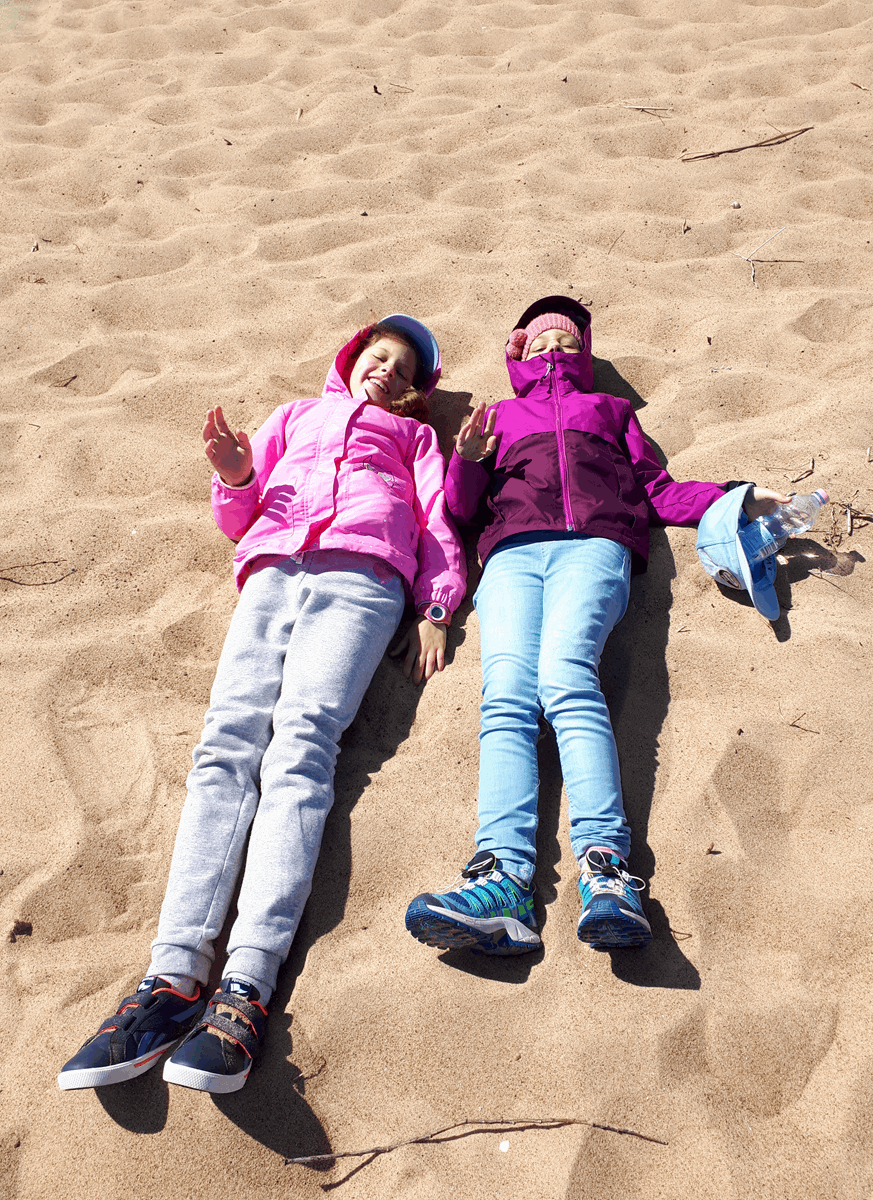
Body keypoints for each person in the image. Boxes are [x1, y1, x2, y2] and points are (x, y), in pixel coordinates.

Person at [59, 315, 465, 1093]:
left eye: (404, 369)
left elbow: (435, 519)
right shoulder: (293, 416)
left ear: (415, 392)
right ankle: (172, 978)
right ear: (350, 360)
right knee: (224, 748)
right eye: (377, 356)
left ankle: (247, 983)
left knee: (301, 748)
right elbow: (237, 519)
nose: (386, 370)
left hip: (363, 579)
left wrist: (437, 606)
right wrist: (237, 476)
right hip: (272, 570)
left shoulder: (413, 438)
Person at [404, 296, 786, 956]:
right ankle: (502, 881)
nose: (553, 349)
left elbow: (657, 489)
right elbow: (462, 511)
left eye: (566, 342)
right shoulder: (499, 417)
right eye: (540, 342)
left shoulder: (611, 411)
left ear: (582, 354)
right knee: (505, 697)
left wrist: (733, 495)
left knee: (566, 679)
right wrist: (467, 460)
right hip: (510, 556)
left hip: (594, 548)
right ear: (518, 352)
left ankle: (606, 870)